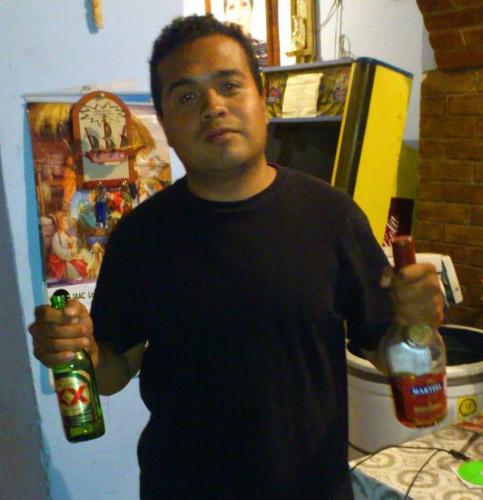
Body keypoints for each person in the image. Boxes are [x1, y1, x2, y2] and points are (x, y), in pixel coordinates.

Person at [29, 14, 444, 500]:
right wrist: (82, 352)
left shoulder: (333, 217)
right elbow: (114, 371)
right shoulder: (140, 237)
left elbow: (389, 356)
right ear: (165, 123)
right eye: (186, 96)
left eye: (229, 85)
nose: (213, 107)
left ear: (262, 98)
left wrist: (416, 326)